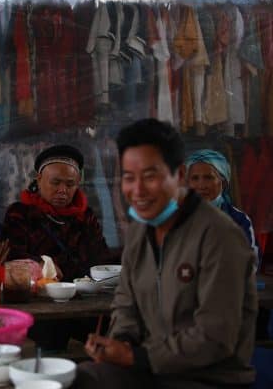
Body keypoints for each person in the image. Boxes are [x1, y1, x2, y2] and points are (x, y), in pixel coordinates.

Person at [76, 119, 258, 388]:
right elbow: (126, 306)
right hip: (148, 370)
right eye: (128, 177)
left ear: (180, 175)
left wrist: (135, 356)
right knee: (79, 378)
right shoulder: (139, 232)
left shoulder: (220, 236)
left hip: (208, 378)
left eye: (150, 176)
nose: (137, 190)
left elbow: (215, 337)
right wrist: (119, 344)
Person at [1, 144, 113, 282]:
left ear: (78, 183)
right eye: (55, 182)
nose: (62, 190)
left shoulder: (85, 216)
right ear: (39, 179)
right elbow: (12, 255)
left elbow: (101, 257)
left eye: (70, 184)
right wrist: (40, 264)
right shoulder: (20, 214)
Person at [185, 149, 260, 271]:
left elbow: (250, 264)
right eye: (194, 178)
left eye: (208, 177)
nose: (201, 185)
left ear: (223, 183)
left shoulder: (238, 219)